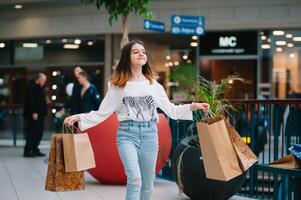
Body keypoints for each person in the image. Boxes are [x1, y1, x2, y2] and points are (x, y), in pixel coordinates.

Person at [63, 40, 209, 200]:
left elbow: (171, 111)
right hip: (127, 134)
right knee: (135, 179)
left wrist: (192, 106)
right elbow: (102, 113)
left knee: (148, 185)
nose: (141, 53)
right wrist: (79, 117)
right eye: (136, 51)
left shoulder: (154, 85)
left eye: (143, 51)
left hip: (150, 135)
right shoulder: (118, 86)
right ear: (127, 57)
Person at [23, 73, 48, 157]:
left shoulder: (40, 87)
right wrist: (34, 112)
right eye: (43, 80)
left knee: (39, 133)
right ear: (38, 79)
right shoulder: (31, 87)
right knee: (31, 133)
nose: (44, 82)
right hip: (33, 115)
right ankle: (27, 151)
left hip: (40, 114)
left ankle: (35, 149)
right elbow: (31, 101)